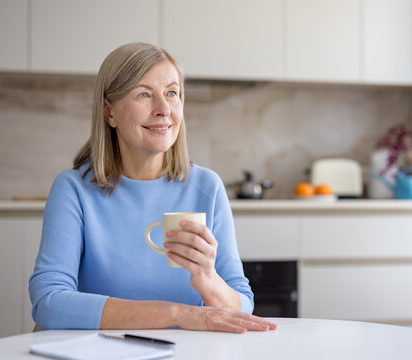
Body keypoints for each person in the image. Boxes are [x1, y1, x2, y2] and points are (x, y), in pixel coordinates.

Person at [29, 42, 276, 333]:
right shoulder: (73, 190)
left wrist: (208, 279)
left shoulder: (207, 187)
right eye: (144, 94)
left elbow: (243, 304)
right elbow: (49, 302)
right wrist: (174, 314)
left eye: (172, 93)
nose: (163, 109)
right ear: (109, 112)